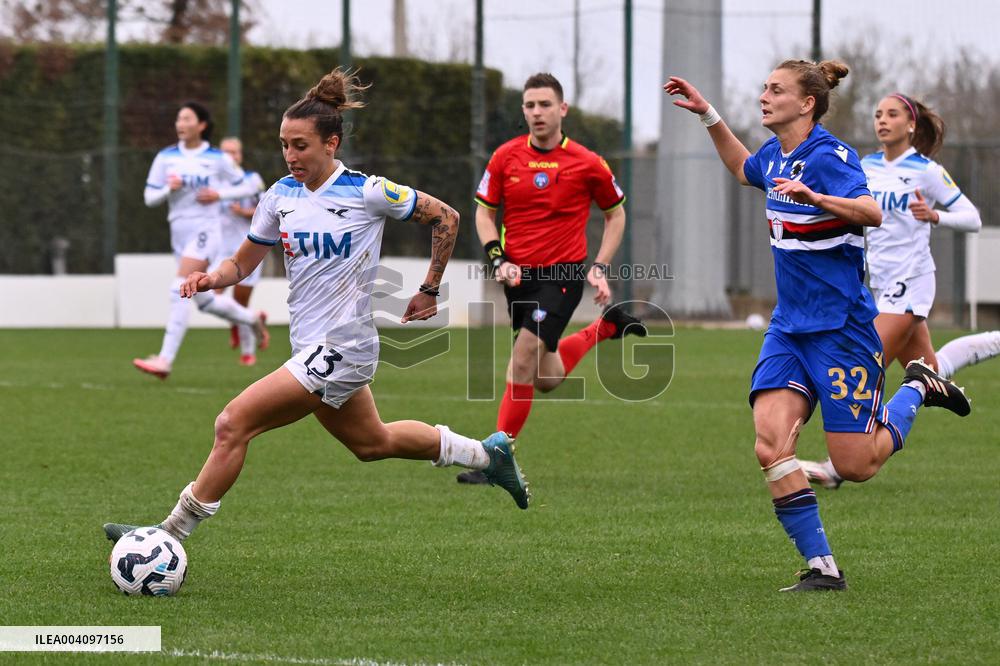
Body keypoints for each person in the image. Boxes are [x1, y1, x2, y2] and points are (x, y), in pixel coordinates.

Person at [103, 68, 530, 548]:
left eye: (300, 145)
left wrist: (429, 288)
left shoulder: (368, 191)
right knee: (373, 443)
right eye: (284, 145)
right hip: (309, 344)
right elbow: (243, 261)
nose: (290, 156)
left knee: (232, 424)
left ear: (331, 143)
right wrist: (211, 277)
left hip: (344, 345)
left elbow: (447, 217)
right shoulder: (279, 196)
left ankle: (167, 535)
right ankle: (487, 455)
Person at [664, 60, 971, 591]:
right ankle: (822, 568)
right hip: (789, 328)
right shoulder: (776, 153)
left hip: (842, 330)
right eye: (763, 88)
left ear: (806, 103)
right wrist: (709, 115)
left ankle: (918, 385)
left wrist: (817, 199)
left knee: (856, 465)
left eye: (775, 90)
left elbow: (870, 212)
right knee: (770, 446)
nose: (764, 96)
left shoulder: (830, 156)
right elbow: (743, 170)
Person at [800, 93, 999, 490]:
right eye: (877, 114)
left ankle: (839, 467)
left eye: (892, 114)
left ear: (911, 125)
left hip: (913, 282)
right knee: (931, 370)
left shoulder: (925, 170)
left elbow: (972, 218)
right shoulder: (866, 166)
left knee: (867, 358)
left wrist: (936, 215)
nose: (882, 120)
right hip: (878, 283)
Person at [457, 72, 647, 485]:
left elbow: (616, 214)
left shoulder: (587, 162)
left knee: (522, 357)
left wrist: (599, 265)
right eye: (530, 105)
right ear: (523, 110)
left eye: (545, 104)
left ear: (563, 109)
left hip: (561, 277)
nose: (537, 113)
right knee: (545, 378)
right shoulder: (505, 157)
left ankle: (496, 458)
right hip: (518, 280)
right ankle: (606, 327)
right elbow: (484, 213)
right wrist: (497, 258)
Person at [134, 102, 268, 380]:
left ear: (202, 125)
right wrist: (166, 190)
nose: (180, 124)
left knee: (178, 287)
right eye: (178, 119)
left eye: (186, 118)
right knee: (205, 301)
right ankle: (251, 319)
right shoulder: (166, 157)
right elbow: (149, 197)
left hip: (206, 230)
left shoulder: (217, 158)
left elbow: (253, 185)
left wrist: (220, 195)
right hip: (179, 231)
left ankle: (165, 360)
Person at [214, 136, 267, 366]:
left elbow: (267, 211)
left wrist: (245, 212)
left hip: (249, 251)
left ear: (240, 155)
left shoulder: (251, 180)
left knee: (240, 302)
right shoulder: (213, 184)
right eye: (225, 152)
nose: (230, 157)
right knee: (211, 297)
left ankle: (248, 353)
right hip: (220, 252)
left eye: (234, 152)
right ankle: (244, 322)